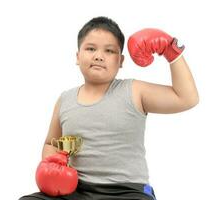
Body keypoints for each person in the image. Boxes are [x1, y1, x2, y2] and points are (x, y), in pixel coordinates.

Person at [19, 16, 199, 200]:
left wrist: (172, 51)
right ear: (77, 56)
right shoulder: (65, 99)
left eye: (109, 51)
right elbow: (51, 142)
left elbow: (186, 98)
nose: (98, 56)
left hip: (127, 191)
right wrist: (52, 166)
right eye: (90, 48)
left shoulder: (134, 91)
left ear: (120, 61)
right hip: (77, 189)